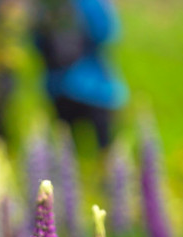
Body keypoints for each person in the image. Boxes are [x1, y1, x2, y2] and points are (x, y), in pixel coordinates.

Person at [34, 0, 128, 149]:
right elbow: (106, 33)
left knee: (64, 152)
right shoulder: (91, 3)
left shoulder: (48, 3)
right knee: (108, 155)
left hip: (58, 88)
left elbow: (36, 42)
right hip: (96, 88)